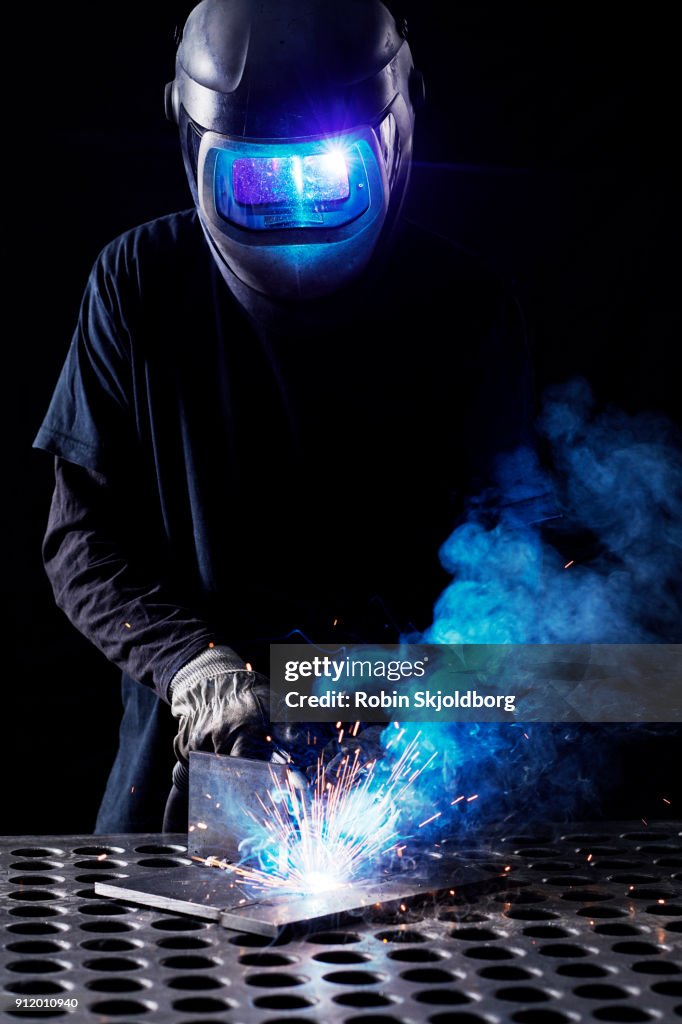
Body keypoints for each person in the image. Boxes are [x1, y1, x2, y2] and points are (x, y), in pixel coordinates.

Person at [33, 0, 535, 833]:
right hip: (191, 752)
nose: (296, 200)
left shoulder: (466, 307)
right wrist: (190, 666)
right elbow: (78, 538)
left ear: (397, 127)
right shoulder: (139, 282)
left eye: (325, 170)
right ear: (198, 143)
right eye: (263, 177)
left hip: (408, 770)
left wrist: (422, 690)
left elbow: (517, 555)